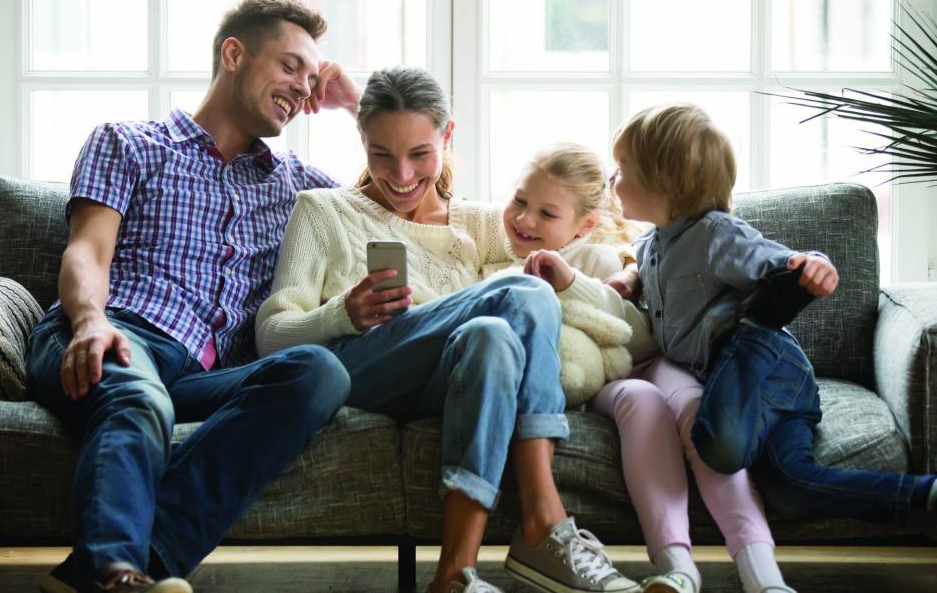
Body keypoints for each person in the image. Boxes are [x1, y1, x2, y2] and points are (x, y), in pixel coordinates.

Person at [25, 0, 362, 593]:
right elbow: (88, 250)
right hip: (117, 333)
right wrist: (89, 321)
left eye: (312, 79)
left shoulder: (298, 188)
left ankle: (121, 573)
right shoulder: (131, 143)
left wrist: (357, 108)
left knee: (319, 371)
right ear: (234, 54)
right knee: (139, 398)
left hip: (202, 378)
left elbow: (409, 200)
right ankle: (113, 574)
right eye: (290, 66)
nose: (302, 88)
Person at [256, 67, 641, 593]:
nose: (401, 174)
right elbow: (271, 334)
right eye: (381, 154)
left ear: (448, 137)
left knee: (494, 336)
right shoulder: (323, 211)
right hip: (361, 369)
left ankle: (455, 574)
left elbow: (574, 235)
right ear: (362, 142)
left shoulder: (482, 224)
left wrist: (634, 266)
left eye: (420, 153)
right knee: (525, 292)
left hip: (446, 380)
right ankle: (545, 521)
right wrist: (342, 312)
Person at [610, 102, 937, 556]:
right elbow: (638, 266)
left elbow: (777, 260)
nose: (613, 179)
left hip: (764, 367)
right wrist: (628, 280)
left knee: (719, 449)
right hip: (755, 393)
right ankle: (923, 496)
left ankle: (761, 322)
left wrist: (812, 265)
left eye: (621, 168)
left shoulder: (715, 234)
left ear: (662, 183)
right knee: (790, 487)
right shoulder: (651, 244)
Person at [488, 142, 794, 593]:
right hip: (608, 383)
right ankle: (676, 565)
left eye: (546, 214)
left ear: (584, 225)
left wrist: (572, 283)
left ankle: (763, 574)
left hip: (652, 360)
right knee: (642, 400)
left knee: (695, 410)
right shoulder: (497, 267)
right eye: (518, 201)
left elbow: (640, 334)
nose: (524, 220)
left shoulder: (600, 258)